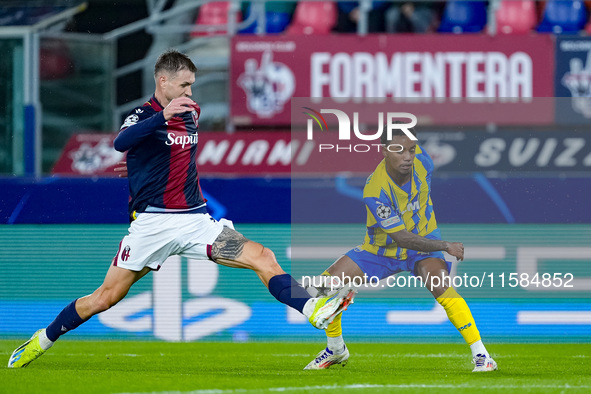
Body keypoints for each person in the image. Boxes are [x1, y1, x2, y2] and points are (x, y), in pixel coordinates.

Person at [8, 49, 355, 369]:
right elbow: (121, 142)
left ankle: (314, 310)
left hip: (195, 222)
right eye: (184, 84)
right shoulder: (144, 114)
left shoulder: (191, 112)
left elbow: (176, 156)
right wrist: (158, 123)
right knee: (105, 297)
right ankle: (43, 338)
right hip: (152, 227)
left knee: (262, 256)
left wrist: (144, 164)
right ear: (163, 81)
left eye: (192, 85)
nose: (190, 92)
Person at [303, 127, 497, 372]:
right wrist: (445, 245)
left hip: (422, 245)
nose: (407, 156)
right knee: (321, 286)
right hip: (380, 251)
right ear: (383, 151)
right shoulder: (376, 190)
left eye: (411, 150)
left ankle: (483, 356)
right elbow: (402, 238)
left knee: (443, 289)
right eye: (398, 150)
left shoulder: (423, 161)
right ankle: (336, 349)